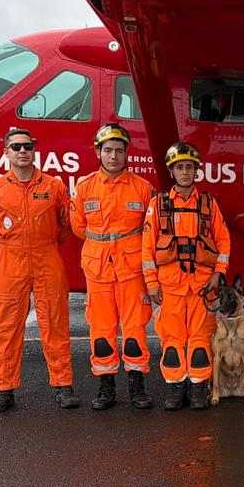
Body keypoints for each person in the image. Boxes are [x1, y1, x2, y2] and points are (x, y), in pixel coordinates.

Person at [0, 128, 77, 413]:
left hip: (48, 257)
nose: (23, 151)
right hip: (11, 260)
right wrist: (13, 246)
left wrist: (43, 243)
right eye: (16, 147)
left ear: (34, 151)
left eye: (28, 146)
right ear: (6, 153)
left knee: (56, 323)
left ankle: (63, 385)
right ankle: (5, 389)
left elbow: (66, 225)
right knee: (7, 327)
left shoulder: (54, 186)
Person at [70, 123, 156, 410]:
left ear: (126, 153)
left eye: (119, 151)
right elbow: (78, 227)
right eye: (108, 150)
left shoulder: (143, 189)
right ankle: (106, 387)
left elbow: (152, 230)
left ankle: (137, 386)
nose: (114, 156)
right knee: (102, 330)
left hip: (132, 268)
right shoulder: (84, 188)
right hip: (98, 269)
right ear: (98, 152)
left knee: (135, 329)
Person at [142, 142, 231, 410]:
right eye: (179, 167)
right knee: (172, 339)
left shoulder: (208, 204)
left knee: (200, 338)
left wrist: (219, 273)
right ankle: (175, 388)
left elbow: (223, 241)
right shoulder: (158, 205)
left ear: (196, 171)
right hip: (169, 285)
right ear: (171, 171)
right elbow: (147, 247)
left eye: (189, 167)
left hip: (203, 285)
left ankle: (197, 388)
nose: (184, 172)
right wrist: (151, 283)